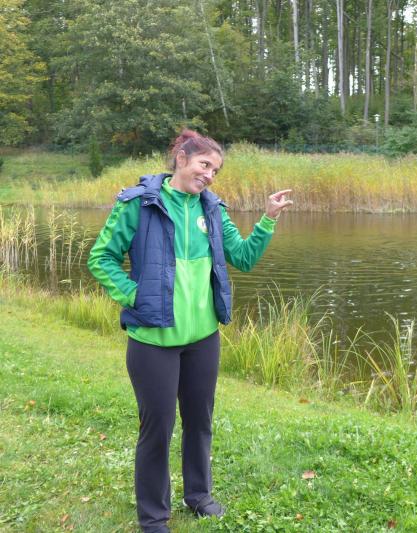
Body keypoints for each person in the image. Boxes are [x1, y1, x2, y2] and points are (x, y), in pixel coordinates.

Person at [87, 129, 293, 533]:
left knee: (200, 421)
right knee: (157, 429)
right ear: (181, 158)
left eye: (215, 170)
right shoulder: (139, 204)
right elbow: (101, 258)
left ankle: (198, 496)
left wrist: (268, 218)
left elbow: (244, 257)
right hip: (154, 341)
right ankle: (153, 517)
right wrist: (134, 294)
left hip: (203, 339)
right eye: (204, 165)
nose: (210, 175)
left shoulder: (212, 209)